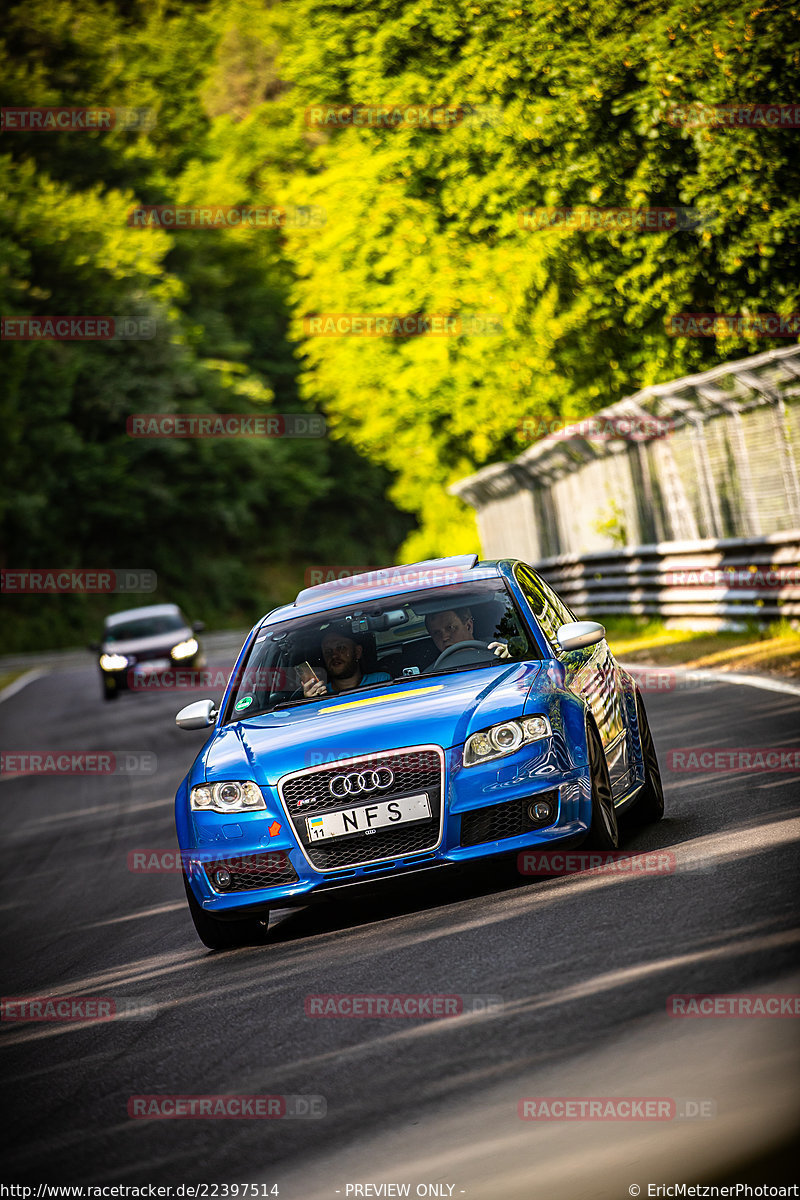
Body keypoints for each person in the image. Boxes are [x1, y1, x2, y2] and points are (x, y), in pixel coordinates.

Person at [300, 627, 391, 698]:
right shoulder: (320, 692)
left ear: (357, 652)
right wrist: (311, 701)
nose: (334, 655)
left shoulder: (380, 680)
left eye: (341, 648)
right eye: (328, 652)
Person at [424, 608, 511, 659]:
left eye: (450, 628)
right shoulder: (432, 674)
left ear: (469, 626)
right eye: (436, 633)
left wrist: (512, 653)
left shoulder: (498, 650)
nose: (444, 637)